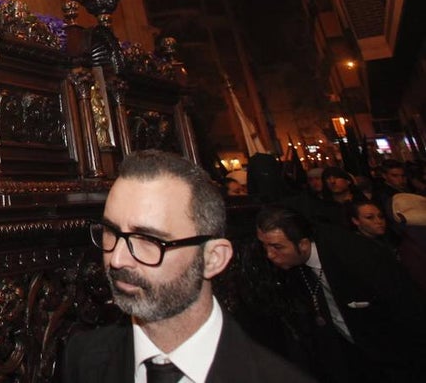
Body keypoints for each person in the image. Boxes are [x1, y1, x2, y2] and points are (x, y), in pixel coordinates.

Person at [62, 150, 314, 383]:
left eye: (149, 239)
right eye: (110, 231)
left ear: (212, 258)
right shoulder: (84, 359)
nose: (117, 259)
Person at [255, 205, 426, 382]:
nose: (269, 254)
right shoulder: (294, 263)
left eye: (277, 247)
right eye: (264, 246)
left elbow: (409, 309)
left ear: (304, 244)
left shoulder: (357, 257)